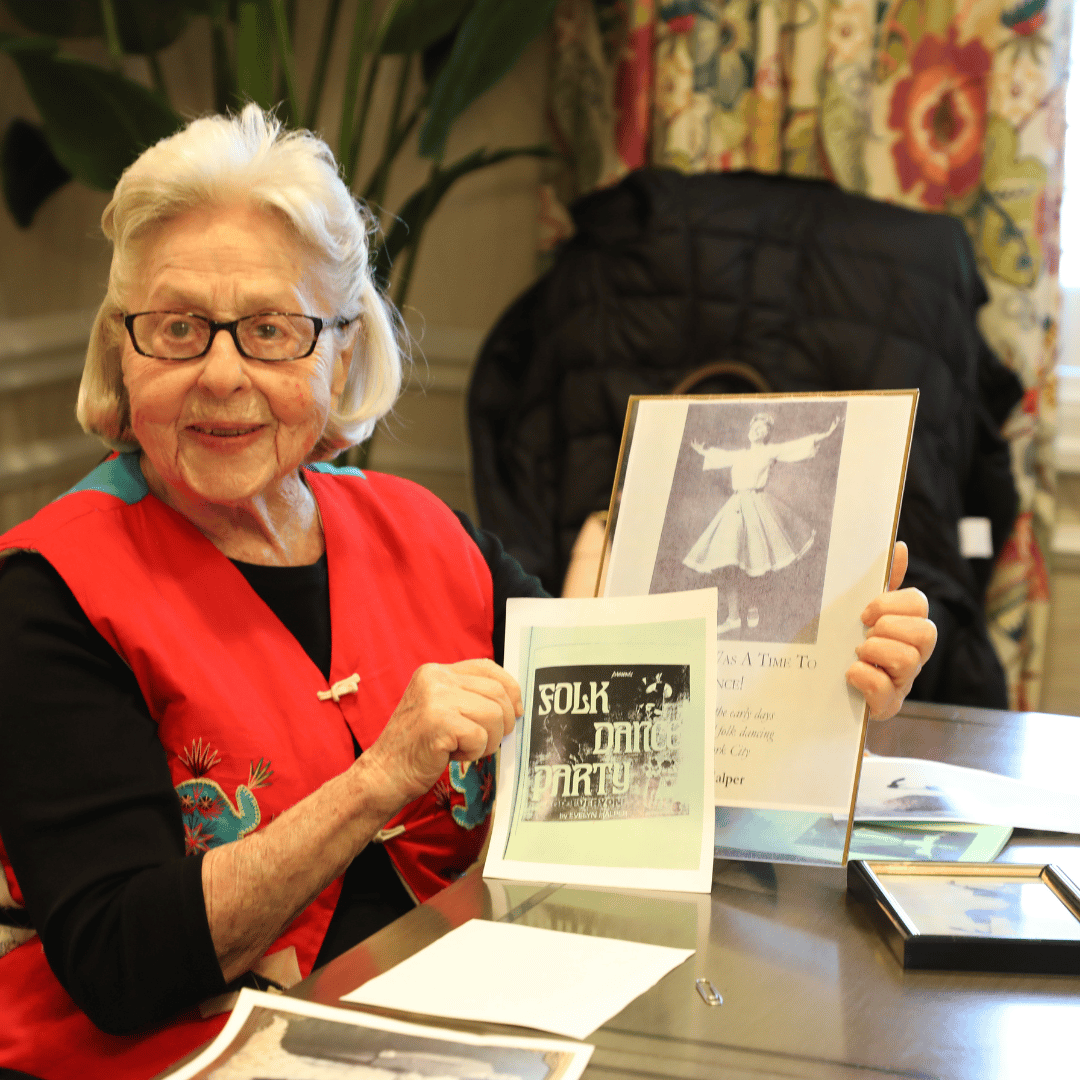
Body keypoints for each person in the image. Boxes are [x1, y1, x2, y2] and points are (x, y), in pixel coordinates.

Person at [0, 106, 934, 1080]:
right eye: (179, 329)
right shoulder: (52, 591)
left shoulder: (425, 533)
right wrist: (375, 781)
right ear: (122, 352)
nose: (222, 372)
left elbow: (621, 776)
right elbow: (120, 963)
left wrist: (829, 684)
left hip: (469, 1020)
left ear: (342, 352)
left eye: (273, 330)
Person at [683, 411, 840, 635]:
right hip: (735, 507)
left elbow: (794, 447)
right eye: (755, 427)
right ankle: (733, 617)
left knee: (757, 560)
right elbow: (719, 456)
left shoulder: (770, 451)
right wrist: (703, 451)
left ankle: (753, 608)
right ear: (749, 430)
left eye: (763, 429)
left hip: (758, 505)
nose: (758, 431)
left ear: (767, 435)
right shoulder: (738, 455)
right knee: (729, 563)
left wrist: (824, 434)